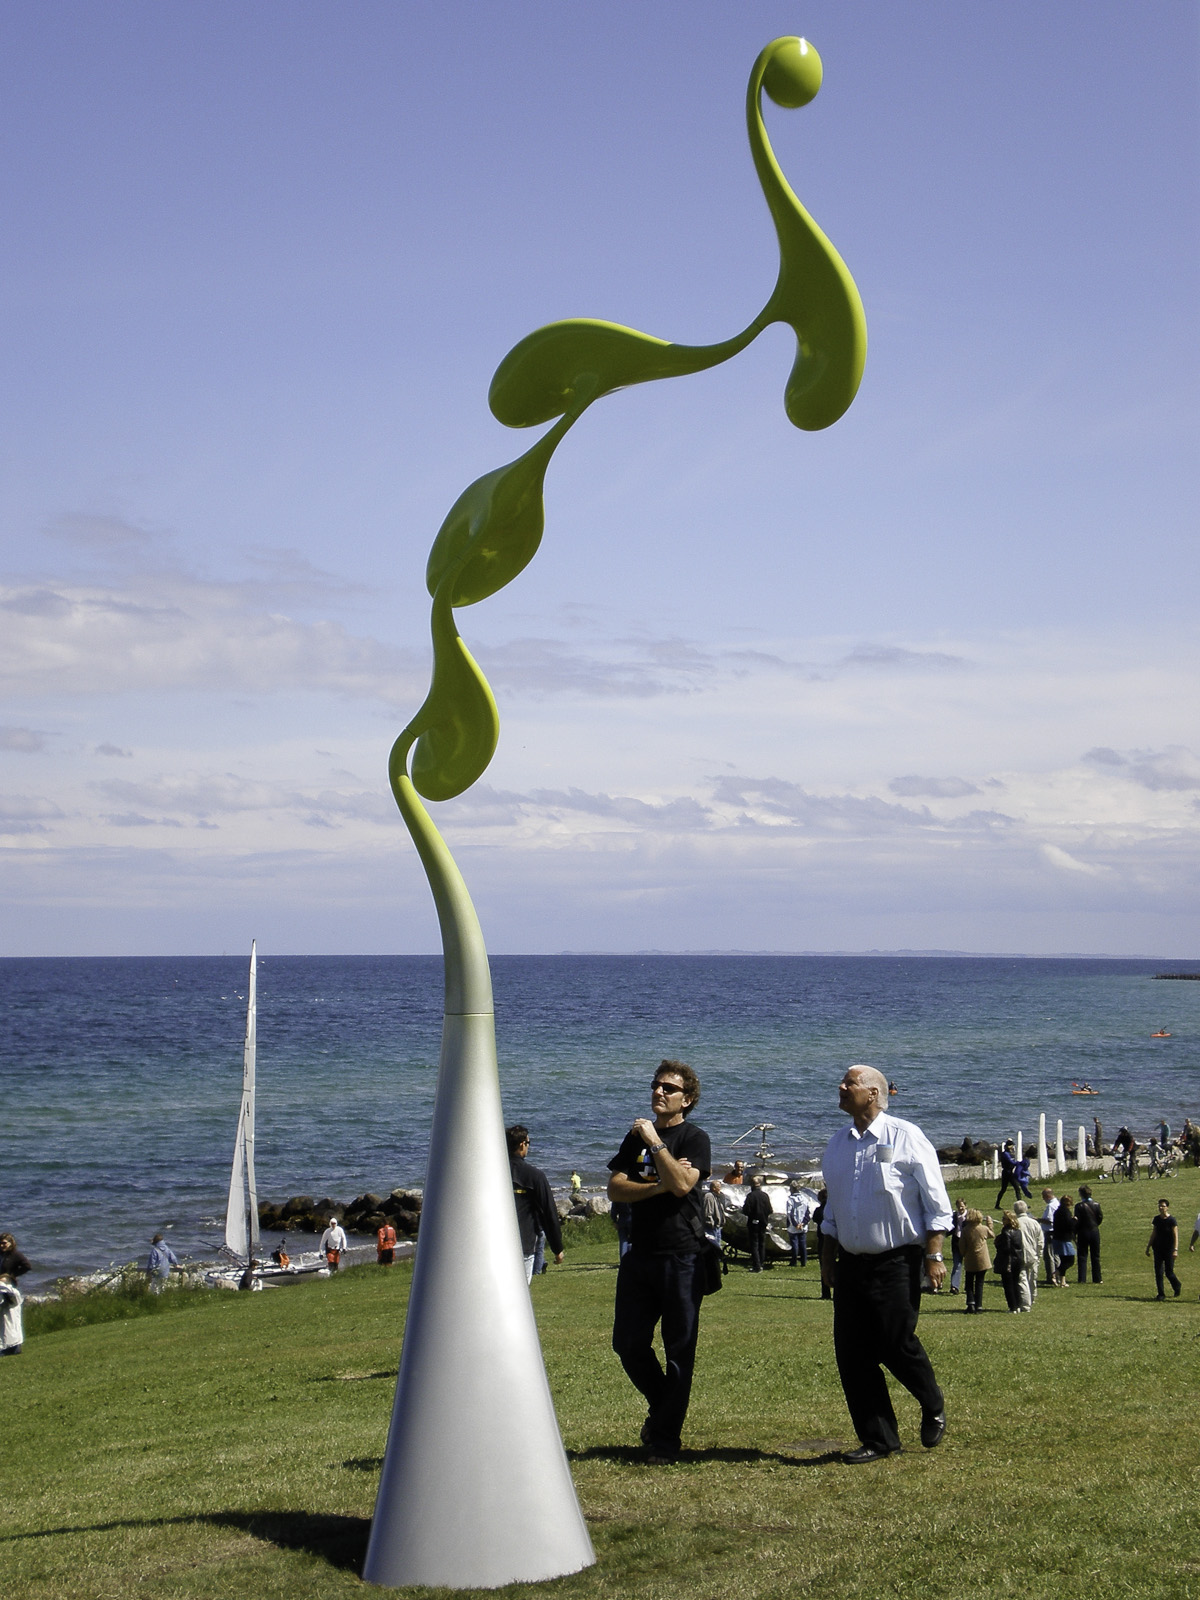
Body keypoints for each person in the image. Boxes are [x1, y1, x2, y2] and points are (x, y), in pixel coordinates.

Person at [819, 1065, 950, 1463]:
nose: (841, 1087)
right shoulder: (837, 1144)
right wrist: (827, 1261)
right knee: (852, 1354)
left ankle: (932, 1403)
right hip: (850, 1263)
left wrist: (934, 1255)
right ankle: (878, 1439)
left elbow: (936, 1204)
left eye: (850, 1083)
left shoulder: (906, 1136)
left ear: (873, 1093)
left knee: (895, 1342)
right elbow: (832, 1211)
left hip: (897, 1260)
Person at [607, 1059, 710, 1464]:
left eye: (669, 1088)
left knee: (678, 1350)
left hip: (683, 1257)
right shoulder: (633, 1138)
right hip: (641, 1254)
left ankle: (665, 1440)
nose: (659, 1092)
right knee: (627, 1343)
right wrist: (656, 1187)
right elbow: (615, 1188)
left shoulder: (694, 1139)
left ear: (687, 1099)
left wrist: (655, 1143)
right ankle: (663, 1406)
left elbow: (683, 1185)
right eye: (656, 1085)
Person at [507, 1124, 564, 1284]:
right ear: (522, 1145)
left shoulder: (491, 1172)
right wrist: (557, 1248)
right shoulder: (535, 1176)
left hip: (493, 1243)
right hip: (524, 1244)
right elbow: (549, 1213)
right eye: (528, 1143)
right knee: (520, 1290)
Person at [1146, 1198, 1181, 1299]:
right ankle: (1161, 1294)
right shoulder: (1157, 1219)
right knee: (1158, 1272)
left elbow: (1175, 1236)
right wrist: (1148, 1246)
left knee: (1169, 1272)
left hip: (1169, 1249)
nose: (1161, 1208)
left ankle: (1177, 1285)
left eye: (1163, 1206)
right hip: (1158, 1248)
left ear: (1167, 1207)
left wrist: (1175, 1250)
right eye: (1159, 1206)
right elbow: (1154, 1233)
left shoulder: (1172, 1220)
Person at [960, 1209, 994, 1313]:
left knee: (969, 1283)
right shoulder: (983, 1229)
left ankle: (971, 1304)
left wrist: (963, 1253)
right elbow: (992, 1235)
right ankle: (979, 1305)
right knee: (979, 1283)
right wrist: (990, 1223)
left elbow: (962, 1245)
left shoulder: (965, 1230)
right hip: (983, 1259)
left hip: (970, 1258)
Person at [995, 1211, 1028, 1312]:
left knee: (1008, 1285)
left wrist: (998, 1243)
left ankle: (1012, 1307)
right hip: (1018, 1260)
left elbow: (1006, 1248)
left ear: (1009, 1221)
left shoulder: (1006, 1232)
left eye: (1004, 1218)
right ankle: (1018, 1305)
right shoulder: (1018, 1231)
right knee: (1016, 1284)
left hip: (1008, 1261)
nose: (1002, 1220)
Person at [1013, 1201, 1043, 1305]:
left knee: (1022, 1280)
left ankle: (1025, 1303)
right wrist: (1039, 1254)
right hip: (1033, 1254)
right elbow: (1040, 1241)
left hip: (1019, 1255)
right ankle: (1032, 1298)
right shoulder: (1034, 1223)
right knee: (1032, 1279)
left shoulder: (1015, 1223)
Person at [742, 1175, 772, 1272]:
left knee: (754, 1244)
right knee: (762, 1243)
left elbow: (746, 1210)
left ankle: (757, 1265)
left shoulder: (750, 1196)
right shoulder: (765, 1196)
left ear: (751, 1185)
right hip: (763, 1222)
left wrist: (752, 1215)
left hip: (753, 1222)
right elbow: (770, 1210)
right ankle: (761, 1263)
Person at [1074, 1186, 1103, 1283]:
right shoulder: (1096, 1205)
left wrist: (1075, 1231)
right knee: (1096, 1256)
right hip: (1094, 1231)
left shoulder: (1079, 1206)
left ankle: (1082, 1278)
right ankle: (1097, 1278)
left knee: (1082, 1256)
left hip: (1083, 1232)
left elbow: (1077, 1221)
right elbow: (1100, 1218)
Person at [1051, 1193, 1076, 1285]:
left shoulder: (1057, 1212)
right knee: (1070, 1260)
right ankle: (1055, 1274)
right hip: (1064, 1239)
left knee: (1063, 1260)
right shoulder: (1066, 1212)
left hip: (1056, 1238)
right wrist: (1074, 1220)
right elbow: (1069, 1226)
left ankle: (1063, 1282)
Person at [786, 1181, 812, 1266]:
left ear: (791, 1189)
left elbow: (789, 1214)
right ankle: (803, 1261)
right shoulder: (805, 1199)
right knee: (803, 1244)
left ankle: (794, 1261)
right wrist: (803, 1223)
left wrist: (795, 1224)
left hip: (793, 1226)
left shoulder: (790, 1200)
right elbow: (808, 1213)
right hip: (803, 1226)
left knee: (794, 1244)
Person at [812, 1188, 832, 1299]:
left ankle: (826, 1292)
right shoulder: (833, 1209)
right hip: (835, 1238)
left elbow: (815, 1219)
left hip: (822, 1239)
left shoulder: (819, 1210)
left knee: (823, 1265)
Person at [702, 1180, 726, 1262]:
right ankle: (713, 1260)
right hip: (712, 1226)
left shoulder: (717, 1196)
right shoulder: (709, 1196)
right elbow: (708, 1211)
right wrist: (710, 1222)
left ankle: (717, 1259)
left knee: (718, 1244)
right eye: (718, 1187)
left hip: (718, 1225)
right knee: (713, 1244)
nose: (720, 1188)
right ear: (713, 1188)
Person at [1039, 1189, 1059, 1285]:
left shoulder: (1051, 1206)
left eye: (1044, 1197)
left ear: (1047, 1196)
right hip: (1056, 1232)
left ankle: (1051, 1277)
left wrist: (1038, 1219)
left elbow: (1049, 1220)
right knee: (1056, 1255)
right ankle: (1058, 1275)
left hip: (1050, 1232)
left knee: (1049, 1255)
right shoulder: (1057, 1203)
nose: (1043, 1199)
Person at [948, 1198, 968, 1294]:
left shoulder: (970, 1216)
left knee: (969, 1266)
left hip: (967, 1243)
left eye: (962, 1206)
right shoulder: (954, 1216)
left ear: (965, 1206)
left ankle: (968, 1287)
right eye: (959, 1206)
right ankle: (954, 1286)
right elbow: (950, 1229)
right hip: (956, 1242)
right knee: (957, 1264)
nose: (960, 1208)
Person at [0, 1274, 23, 1355]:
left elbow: (9, 1291)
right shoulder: (2, 1297)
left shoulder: (15, 1295)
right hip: (4, 1343)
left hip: (13, 1343)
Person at [995, 1141, 1021, 1208]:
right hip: (1007, 1173)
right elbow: (1011, 1162)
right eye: (1012, 1146)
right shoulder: (1005, 1154)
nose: (1012, 1147)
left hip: (1008, 1172)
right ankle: (1020, 1204)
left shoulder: (1008, 1153)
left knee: (1006, 1189)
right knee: (1016, 1188)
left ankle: (997, 1204)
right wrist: (1018, 1163)